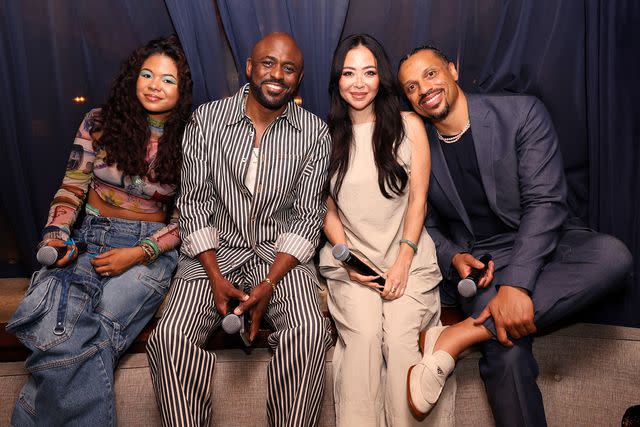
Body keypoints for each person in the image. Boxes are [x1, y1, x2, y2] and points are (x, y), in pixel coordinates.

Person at [397, 45, 633, 426]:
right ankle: (484, 329)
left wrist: (518, 286)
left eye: (430, 74)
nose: (423, 89)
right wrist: (454, 256)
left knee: (614, 257)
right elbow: (423, 223)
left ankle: (460, 335)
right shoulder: (417, 146)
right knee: (508, 351)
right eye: (411, 87)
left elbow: (547, 202)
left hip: (548, 245)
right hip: (483, 265)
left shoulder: (520, 113)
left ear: (452, 71)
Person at [147, 32, 333, 427]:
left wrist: (269, 283)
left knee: (310, 331)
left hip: (279, 256)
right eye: (268, 63)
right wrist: (214, 276)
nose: (277, 74)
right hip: (213, 252)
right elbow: (193, 204)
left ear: (298, 79)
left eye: (289, 68)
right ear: (249, 67)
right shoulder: (207, 120)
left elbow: (306, 217)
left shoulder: (315, 134)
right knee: (169, 339)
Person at [7, 35, 192, 426]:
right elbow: (73, 184)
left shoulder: (194, 138)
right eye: (147, 74)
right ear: (133, 77)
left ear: (182, 89)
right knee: (69, 334)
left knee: (84, 336)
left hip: (148, 251)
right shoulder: (98, 121)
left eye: (168, 79)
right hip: (88, 239)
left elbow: (187, 220)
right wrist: (56, 234)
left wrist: (140, 252)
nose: (155, 84)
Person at [318, 34, 453, 427]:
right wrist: (349, 261)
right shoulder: (324, 137)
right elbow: (327, 210)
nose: (359, 83)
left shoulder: (410, 125)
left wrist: (402, 262)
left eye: (369, 72)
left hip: (407, 257)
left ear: (381, 79)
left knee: (397, 341)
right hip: (351, 264)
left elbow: (418, 200)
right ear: (337, 80)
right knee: (361, 342)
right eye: (349, 73)